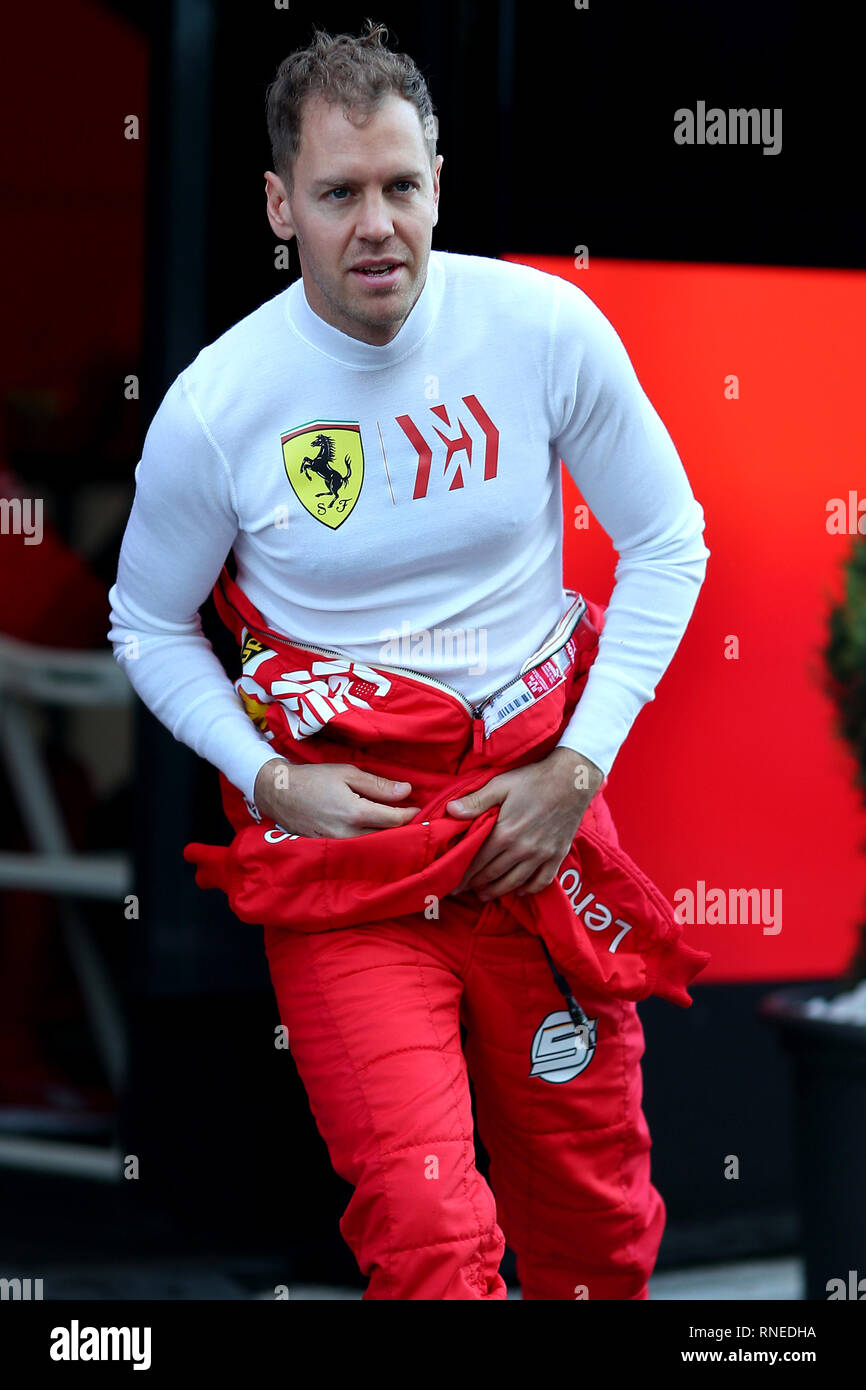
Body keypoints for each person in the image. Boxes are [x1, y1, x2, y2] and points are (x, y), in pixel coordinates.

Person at [108, 21, 711, 1300]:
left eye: (401, 186)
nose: (376, 224)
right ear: (281, 205)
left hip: (533, 838)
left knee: (598, 1242)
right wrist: (270, 779)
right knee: (429, 1240)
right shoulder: (219, 406)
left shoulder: (543, 326)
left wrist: (577, 767)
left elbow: (668, 541)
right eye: (338, 194)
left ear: (437, 179)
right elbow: (148, 625)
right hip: (351, 873)